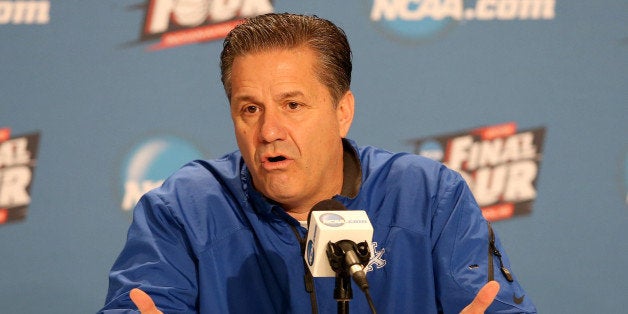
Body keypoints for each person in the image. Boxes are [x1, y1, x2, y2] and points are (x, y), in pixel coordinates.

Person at [100, 13, 536, 313]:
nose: (269, 130)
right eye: (249, 109)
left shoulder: (427, 197)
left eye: (292, 105)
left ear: (342, 111)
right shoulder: (184, 209)